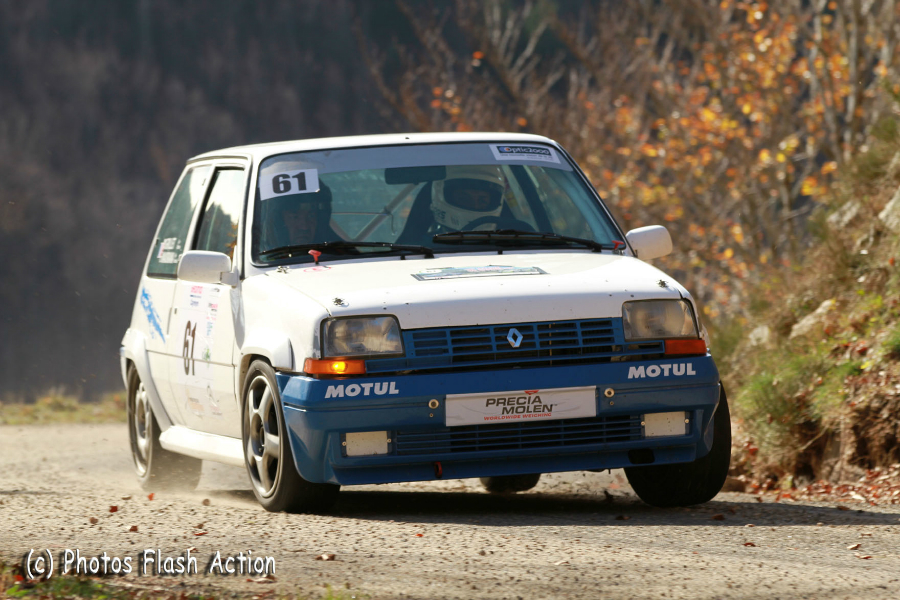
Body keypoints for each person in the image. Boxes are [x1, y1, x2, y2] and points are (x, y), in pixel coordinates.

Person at [430, 165, 507, 232]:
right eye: (464, 199)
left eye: (482, 201)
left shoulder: (507, 241)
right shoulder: (426, 244)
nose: (475, 206)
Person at [263, 183, 339, 249]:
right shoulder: (261, 257)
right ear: (279, 221)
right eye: (295, 217)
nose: (304, 227)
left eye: (311, 216)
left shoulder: (341, 253)